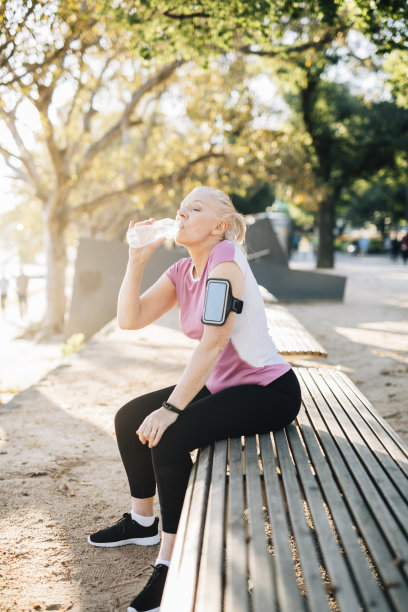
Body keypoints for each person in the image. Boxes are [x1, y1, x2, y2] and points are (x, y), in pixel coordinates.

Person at [87, 186, 302, 612]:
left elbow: (215, 341)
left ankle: (172, 562)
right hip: (223, 384)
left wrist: (171, 410)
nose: (182, 214)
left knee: (167, 435)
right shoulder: (183, 270)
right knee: (131, 417)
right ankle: (143, 522)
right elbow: (130, 320)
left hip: (267, 390)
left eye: (195, 209)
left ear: (219, 227)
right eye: (181, 208)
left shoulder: (225, 262)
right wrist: (136, 260)